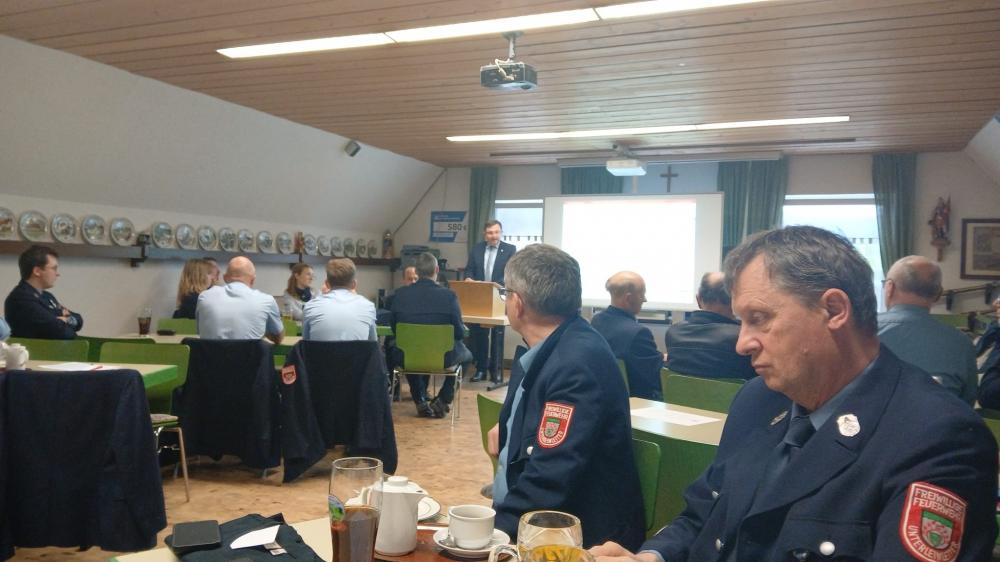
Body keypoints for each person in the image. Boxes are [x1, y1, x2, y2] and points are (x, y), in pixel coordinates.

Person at [591, 226, 997, 562]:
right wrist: (653, 556)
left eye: (759, 319)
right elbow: (703, 515)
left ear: (834, 310)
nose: (742, 344)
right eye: (741, 321)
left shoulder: (937, 438)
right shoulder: (758, 400)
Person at [488, 244, 645, 550]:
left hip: (575, 540)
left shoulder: (575, 364)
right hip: (536, 520)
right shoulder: (556, 345)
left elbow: (549, 480)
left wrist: (491, 535)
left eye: (505, 293)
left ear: (517, 303)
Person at [878, 255, 977, 405]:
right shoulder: (962, 343)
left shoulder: (858, 331)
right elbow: (967, 403)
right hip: (940, 418)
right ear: (938, 294)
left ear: (889, 288)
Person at [390, 252, 473, 418]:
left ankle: (419, 400)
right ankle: (443, 400)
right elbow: (458, 332)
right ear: (437, 269)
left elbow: (395, 329)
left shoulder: (400, 295)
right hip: (443, 357)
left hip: (409, 356)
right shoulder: (449, 296)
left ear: (416, 272)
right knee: (467, 356)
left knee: (409, 349)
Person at [664, 272, 756, 380]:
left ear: (698, 299)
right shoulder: (744, 337)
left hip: (681, 392)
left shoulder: (673, 333)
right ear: (734, 301)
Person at [590, 271, 663, 400]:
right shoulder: (639, 333)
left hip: (604, 397)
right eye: (642, 294)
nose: (645, 299)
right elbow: (656, 376)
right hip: (637, 401)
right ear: (628, 299)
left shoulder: (596, 321)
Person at [466, 219, 516, 383]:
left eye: (496, 232)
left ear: (501, 233)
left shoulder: (510, 249)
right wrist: (469, 278)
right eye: (490, 233)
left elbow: (510, 273)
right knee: (480, 336)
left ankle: (495, 371)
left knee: (497, 334)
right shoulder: (477, 249)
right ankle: (481, 369)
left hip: (499, 297)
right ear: (484, 234)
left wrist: (494, 285)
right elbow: (470, 269)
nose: (494, 236)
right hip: (480, 298)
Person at [196, 256, 284, 343]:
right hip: (250, 352)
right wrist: (261, 329)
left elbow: (201, 331)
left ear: (225, 278)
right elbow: (278, 339)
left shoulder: (204, 297)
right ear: (253, 280)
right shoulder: (267, 300)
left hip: (210, 353)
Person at [4, 245, 83, 339]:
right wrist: (61, 318)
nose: (57, 274)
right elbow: (63, 333)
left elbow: (79, 320)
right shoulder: (21, 299)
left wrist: (66, 320)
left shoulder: (47, 296)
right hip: (35, 348)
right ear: (37, 271)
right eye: (54, 268)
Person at [302, 258, 377, 341]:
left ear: (327, 284)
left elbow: (306, 343)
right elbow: (373, 344)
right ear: (354, 284)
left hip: (320, 350)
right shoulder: (368, 307)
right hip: (357, 350)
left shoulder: (310, 307)